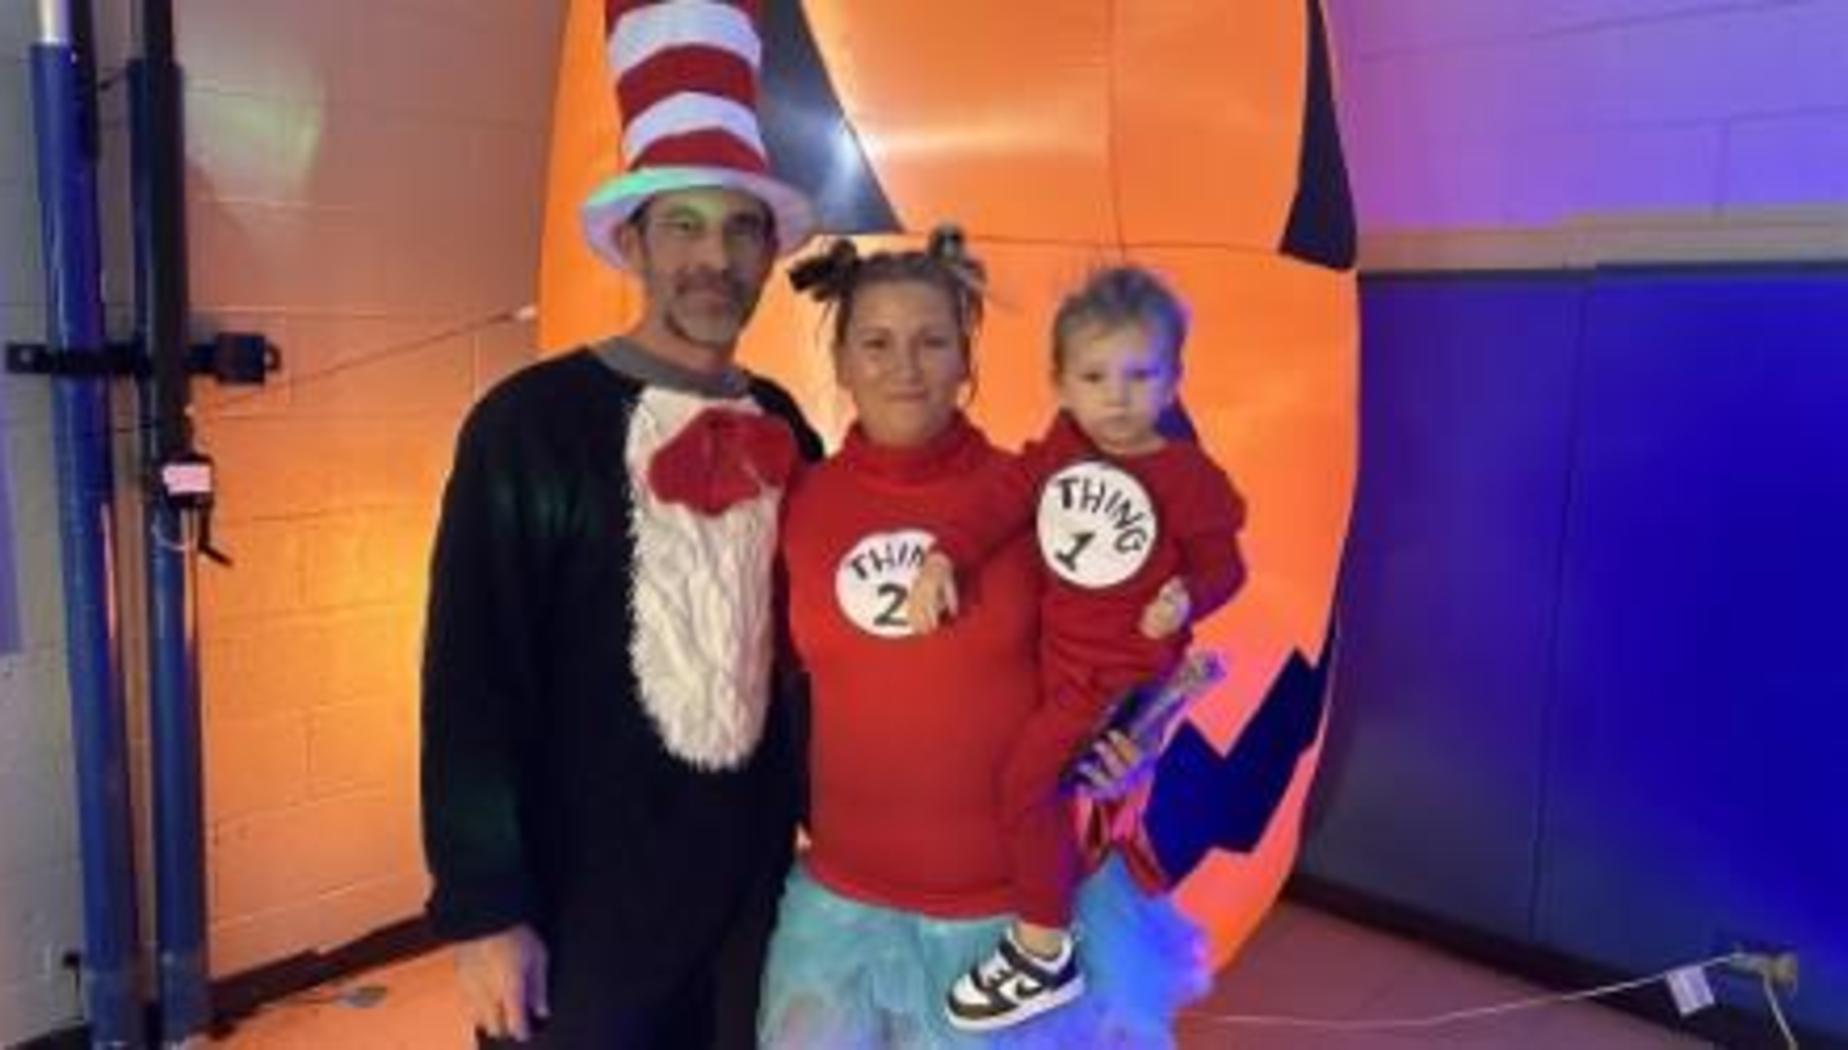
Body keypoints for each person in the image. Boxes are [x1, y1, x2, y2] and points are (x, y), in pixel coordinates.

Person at [418, 3, 824, 1045]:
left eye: (740, 228)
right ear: (633, 243)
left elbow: (828, 652)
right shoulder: (526, 428)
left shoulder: (785, 424)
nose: (713, 258)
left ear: (771, 254)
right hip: (580, 893)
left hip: (749, 891)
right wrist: (487, 909)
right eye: (683, 225)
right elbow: (470, 684)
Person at [761, 232, 1211, 1049]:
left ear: (967, 358)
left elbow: (1131, 654)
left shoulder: (1041, 500)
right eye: (878, 343)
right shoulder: (797, 505)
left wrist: (1133, 748)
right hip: (842, 909)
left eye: (933, 341)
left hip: (1006, 921)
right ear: (840, 360)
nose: (905, 367)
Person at [904, 266, 1248, 1031]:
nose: (1117, 396)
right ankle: (1041, 905)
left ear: (1173, 379)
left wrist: (1190, 596)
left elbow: (1226, 566)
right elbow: (995, 503)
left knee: (1025, 785)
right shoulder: (1061, 449)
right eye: (1095, 376)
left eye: (1140, 374)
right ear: (1060, 383)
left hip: (1113, 677)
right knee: (1027, 783)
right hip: (1055, 664)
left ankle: (1042, 948)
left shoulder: (1187, 478)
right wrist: (940, 556)